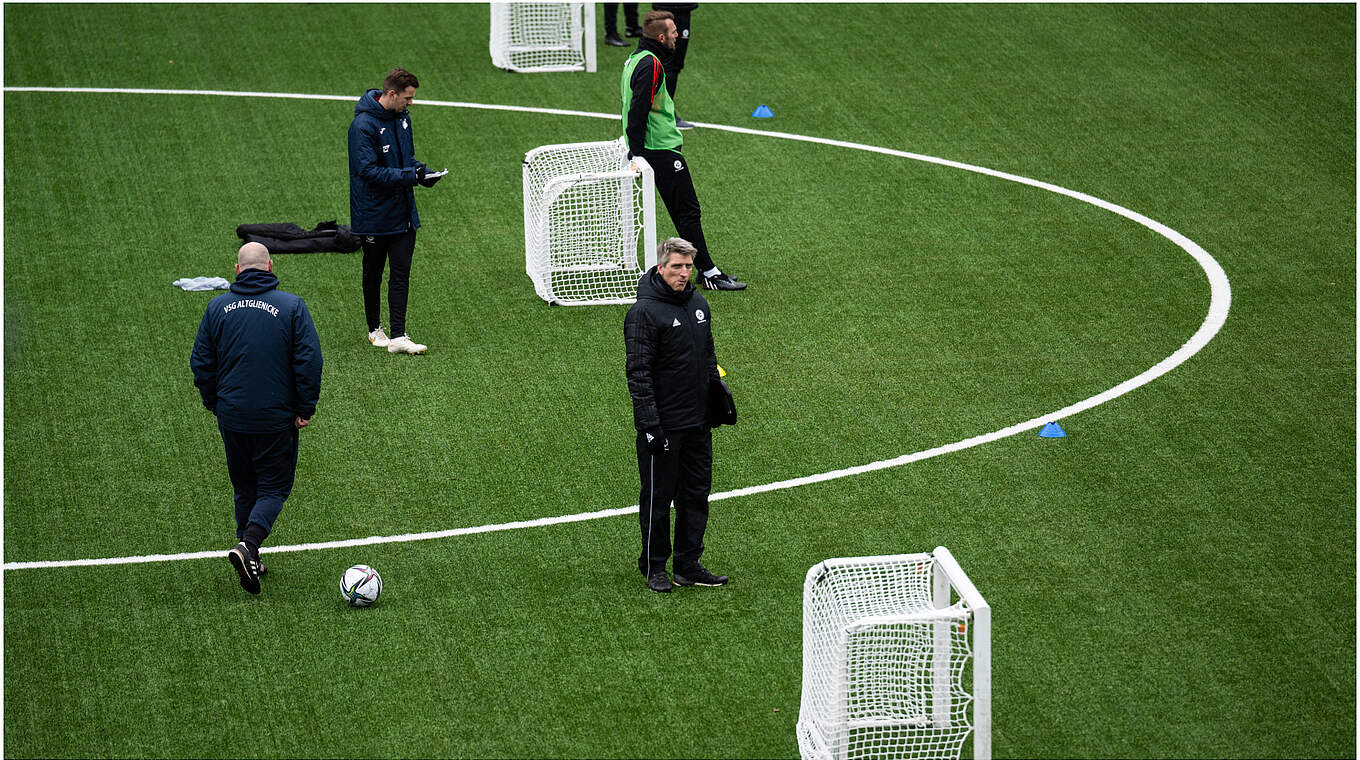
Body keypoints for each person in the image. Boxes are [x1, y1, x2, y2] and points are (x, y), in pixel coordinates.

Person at [191, 242, 323, 595]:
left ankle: (250, 555)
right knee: (274, 487)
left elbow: (201, 363)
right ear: (270, 266)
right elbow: (309, 362)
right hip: (274, 418)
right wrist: (304, 408)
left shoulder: (216, 308)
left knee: (244, 485)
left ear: (237, 270)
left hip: (232, 416)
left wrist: (214, 403)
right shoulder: (292, 306)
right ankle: (249, 545)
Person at [624, 237, 731, 593]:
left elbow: (707, 357)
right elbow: (638, 373)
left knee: (696, 495)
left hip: (698, 423)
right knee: (658, 498)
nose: (684, 274)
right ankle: (655, 566)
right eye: (677, 267)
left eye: (688, 267)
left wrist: (716, 400)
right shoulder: (643, 313)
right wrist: (650, 425)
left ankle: (688, 564)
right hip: (664, 427)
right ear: (661, 268)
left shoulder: (699, 304)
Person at [622, 10, 747, 292]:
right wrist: (638, 152)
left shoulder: (634, 59)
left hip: (656, 148)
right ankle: (710, 273)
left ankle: (707, 269)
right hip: (660, 150)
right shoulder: (650, 65)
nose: (679, 35)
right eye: (674, 32)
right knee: (688, 212)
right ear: (662, 37)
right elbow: (638, 109)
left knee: (684, 212)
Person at [348, 67, 443, 355]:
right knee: (374, 273)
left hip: (403, 213)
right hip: (374, 215)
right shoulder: (362, 126)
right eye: (407, 98)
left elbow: (407, 160)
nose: (411, 103)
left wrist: (423, 174)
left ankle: (399, 336)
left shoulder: (403, 119)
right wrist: (409, 177)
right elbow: (368, 171)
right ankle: (375, 328)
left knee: (401, 273)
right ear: (391, 93)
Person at [652, 2, 698, 129]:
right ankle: (665, 114)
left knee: (669, 62)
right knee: (671, 63)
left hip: (673, 8)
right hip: (674, 9)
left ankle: (661, 112)